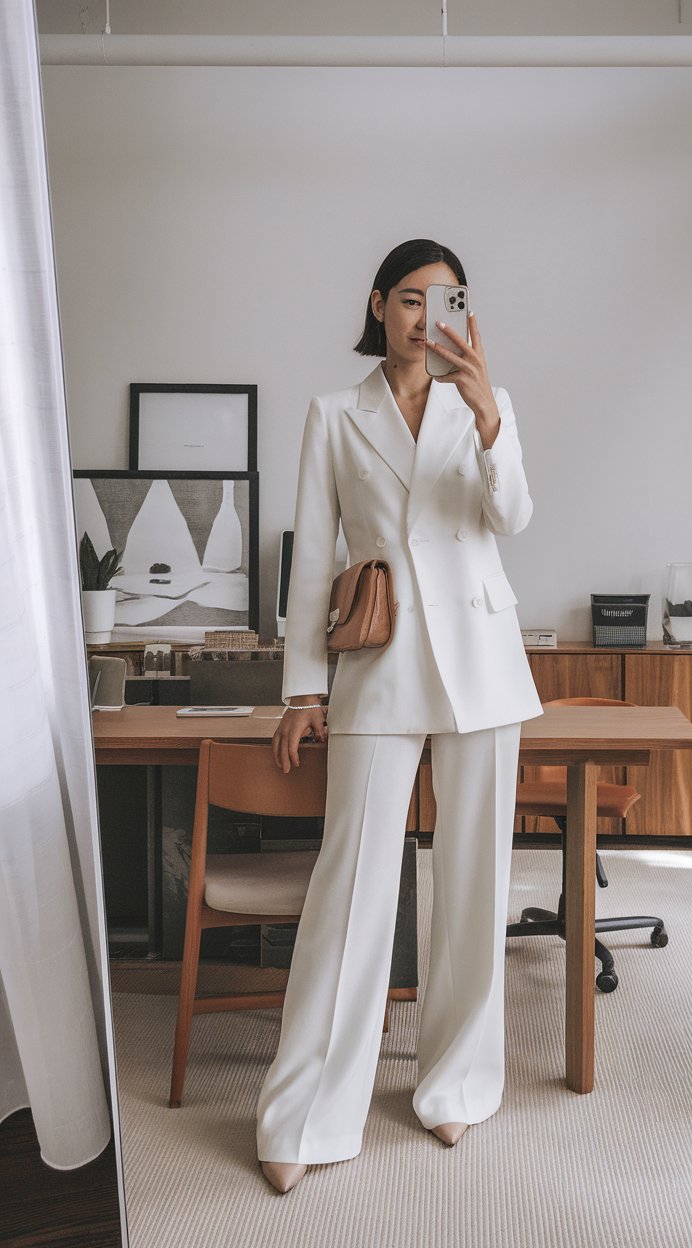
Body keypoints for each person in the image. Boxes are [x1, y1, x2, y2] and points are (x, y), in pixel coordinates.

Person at [257, 238, 543, 1194]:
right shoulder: (335, 414)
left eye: (448, 299)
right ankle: (305, 1113)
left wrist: (489, 413)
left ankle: (457, 1088)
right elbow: (310, 565)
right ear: (379, 305)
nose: (429, 316)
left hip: (482, 661)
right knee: (350, 892)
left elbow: (513, 520)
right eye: (413, 299)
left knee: (474, 885)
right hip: (379, 666)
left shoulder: (484, 409)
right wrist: (302, 690)